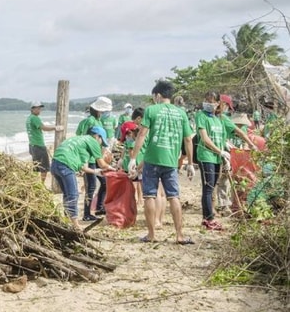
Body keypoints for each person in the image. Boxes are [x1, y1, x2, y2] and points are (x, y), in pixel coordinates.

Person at [128, 81, 195, 244]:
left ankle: (151, 235)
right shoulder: (181, 113)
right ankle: (179, 235)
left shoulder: (151, 110)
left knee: (149, 196)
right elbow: (188, 139)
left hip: (152, 160)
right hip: (171, 161)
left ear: (158, 95)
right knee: (174, 196)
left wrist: (132, 158)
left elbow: (142, 134)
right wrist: (190, 163)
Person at [50, 126, 114, 229]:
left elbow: (83, 167)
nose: (100, 144)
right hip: (66, 165)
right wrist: (112, 169)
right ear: (97, 136)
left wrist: (95, 172)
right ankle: (75, 224)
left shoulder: (80, 140)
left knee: (67, 194)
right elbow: (102, 164)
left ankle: (67, 220)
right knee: (73, 194)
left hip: (55, 165)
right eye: (101, 141)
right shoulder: (92, 141)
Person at [75, 97, 113, 219]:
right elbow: (82, 138)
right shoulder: (90, 121)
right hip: (88, 158)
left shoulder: (98, 120)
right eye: (104, 111)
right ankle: (86, 214)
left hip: (95, 157)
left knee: (103, 182)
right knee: (90, 186)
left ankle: (99, 207)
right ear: (98, 110)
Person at [195, 92, 227, 231]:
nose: (209, 103)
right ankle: (208, 218)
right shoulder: (201, 116)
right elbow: (205, 138)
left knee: (213, 186)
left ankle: (209, 216)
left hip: (217, 158)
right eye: (207, 100)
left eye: (212, 101)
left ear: (218, 103)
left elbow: (223, 140)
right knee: (208, 187)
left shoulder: (219, 119)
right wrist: (219, 151)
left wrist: (225, 155)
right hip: (206, 155)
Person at [26, 101, 63, 183]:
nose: (39, 110)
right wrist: (55, 128)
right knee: (44, 167)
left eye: (40, 108)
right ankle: (41, 185)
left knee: (36, 166)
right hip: (38, 145)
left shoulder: (29, 118)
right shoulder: (35, 118)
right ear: (32, 109)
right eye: (37, 108)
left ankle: (34, 184)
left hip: (32, 145)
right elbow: (43, 127)